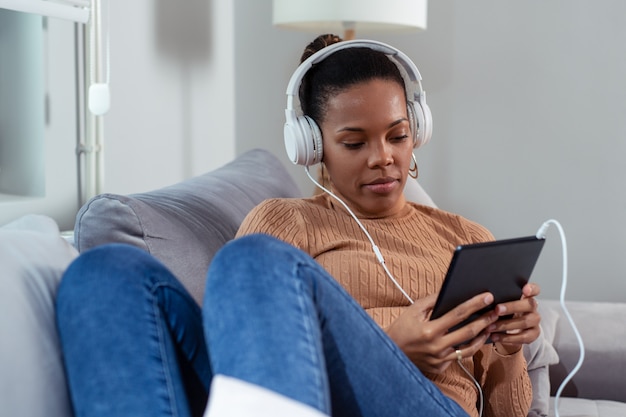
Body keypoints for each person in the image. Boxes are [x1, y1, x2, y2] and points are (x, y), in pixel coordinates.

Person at [55, 35, 541, 417]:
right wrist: (392, 346)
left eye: (398, 135)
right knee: (101, 272)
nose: (383, 158)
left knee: (253, 258)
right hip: (296, 394)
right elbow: (241, 349)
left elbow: (508, 413)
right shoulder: (285, 222)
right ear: (313, 147)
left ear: (417, 130)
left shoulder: (466, 238)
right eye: (354, 143)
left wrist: (511, 350)